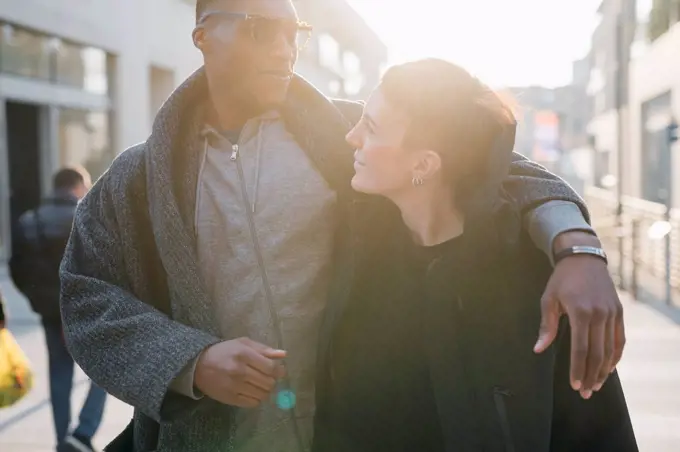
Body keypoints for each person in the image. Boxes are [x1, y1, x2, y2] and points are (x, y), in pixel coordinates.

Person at [60, 1, 623, 451]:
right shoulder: (140, 176)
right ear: (203, 35)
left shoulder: (341, 132)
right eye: (260, 29)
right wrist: (189, 361)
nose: (285, 49)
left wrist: (577, 249)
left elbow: (493, 166)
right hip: (214, 437)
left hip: (343, 429)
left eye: (295, 31)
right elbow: (85, 293)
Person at [313, 59, 637, 452]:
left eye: (371, 127)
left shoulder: (537, 282)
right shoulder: (357, 247)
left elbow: (599, 434)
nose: (351, 136)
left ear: (424, 164)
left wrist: (578, 249)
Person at [10, 167, 107, 452]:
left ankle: (61, 439)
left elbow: (17, 268)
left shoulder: (29, 221)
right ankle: (83, 433)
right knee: (102, 373)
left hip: (50, 312)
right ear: (78, 187)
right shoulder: (88, 217)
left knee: (59, 374)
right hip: (86, 311)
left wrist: (37, 300)